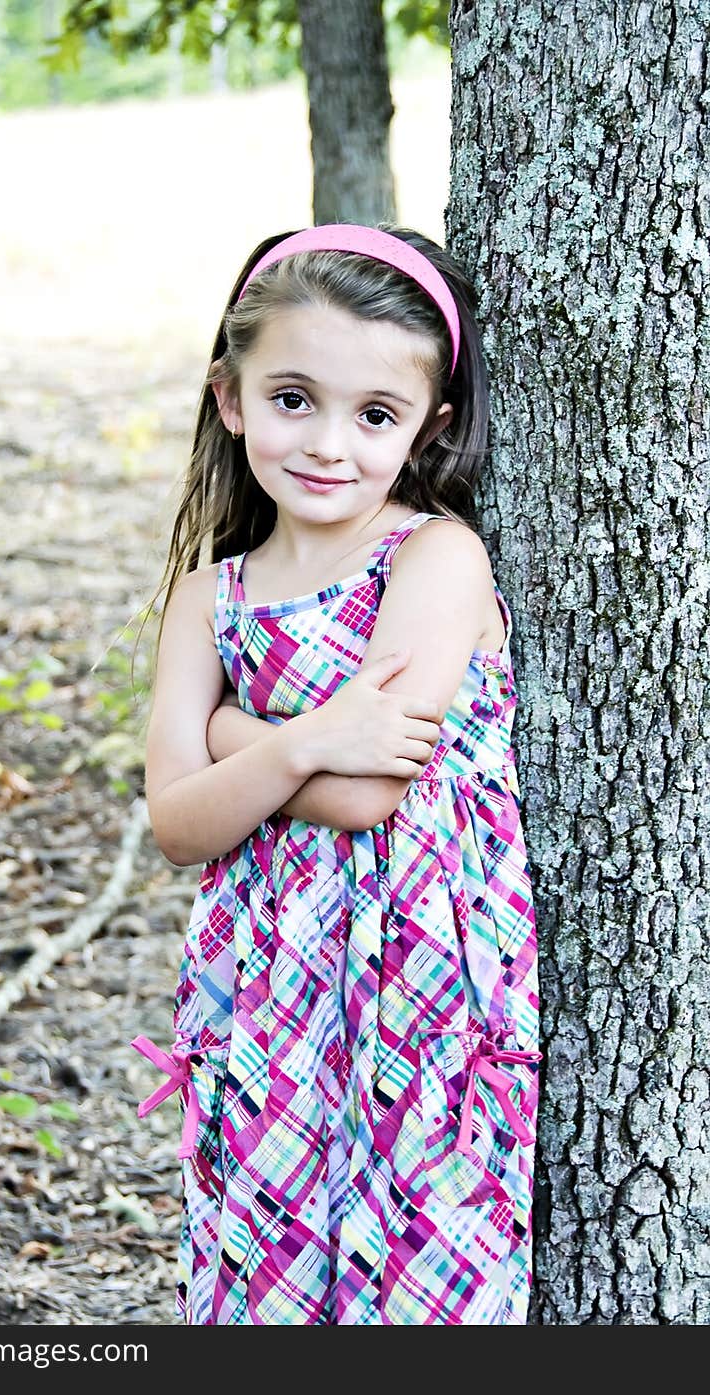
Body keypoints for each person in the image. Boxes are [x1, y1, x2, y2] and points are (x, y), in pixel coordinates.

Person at [130, 223, 540, 1326]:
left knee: (420, 1266)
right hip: (262, 985)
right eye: (292, 399)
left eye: (374, 416)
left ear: (427, 428)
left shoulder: (434, 558)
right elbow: (177, 826)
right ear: (230, 398)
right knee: (263, 1257)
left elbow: (370, 798)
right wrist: (307, 737)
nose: (326, 445)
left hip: (418, 984)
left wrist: (225, 732)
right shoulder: (206, 597)